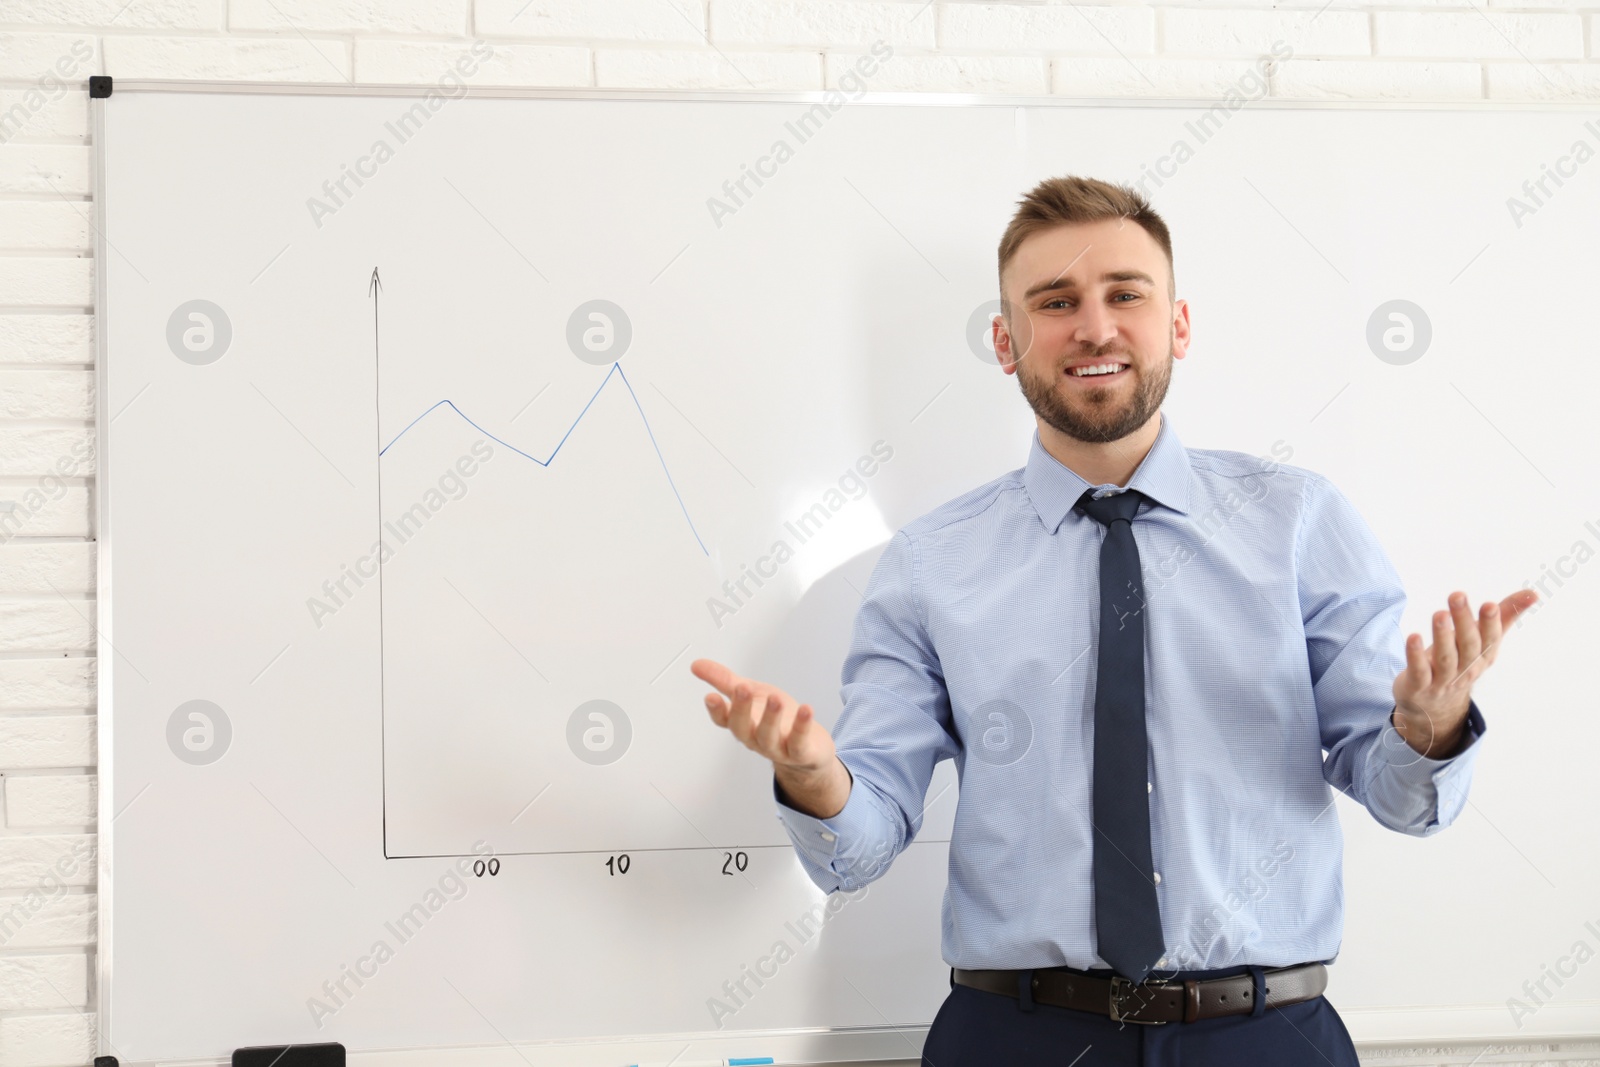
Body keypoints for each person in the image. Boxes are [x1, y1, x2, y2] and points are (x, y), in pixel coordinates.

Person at [690, 175, 1535, 1066]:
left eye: (1124, 294)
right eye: (1055, 302)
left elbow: (1407, 802)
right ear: (1006, 342)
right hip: (1013, 1040)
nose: (1093, 327)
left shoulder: (1299, 524)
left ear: (1177, 323)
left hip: (1266, 1039)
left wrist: (1431, 725)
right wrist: (817, 777)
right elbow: (854, 852)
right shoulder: (930, 563)